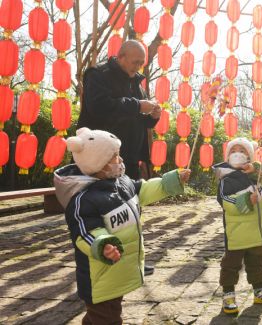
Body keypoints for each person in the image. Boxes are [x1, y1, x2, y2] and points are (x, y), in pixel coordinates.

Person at [53, 127, 190, 324]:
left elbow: (143, 189)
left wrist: (172, 181)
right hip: (100, 275)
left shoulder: (122, 183)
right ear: (98, 163)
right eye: (115, 156)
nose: (121, 160)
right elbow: (85, 231)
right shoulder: (84, 200)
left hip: (116, 272)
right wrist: (103, 244)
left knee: (103, 314)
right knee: (107, 317)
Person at [212, 137, 262, 314]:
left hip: (258, 230)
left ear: (249, 156)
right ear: (228, 156)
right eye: (233, 150)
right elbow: (225, 201)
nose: (237, 154)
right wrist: (245, 200)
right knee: (231, 263)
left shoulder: (255, 173)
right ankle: (228, 293)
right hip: (237, 233)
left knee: (257, 262)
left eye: (242, 151)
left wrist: (257, 168)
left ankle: (259, 289)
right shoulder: (225, 178)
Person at [77, 40, 161, 181]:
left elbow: (142, 122)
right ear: (121, 57)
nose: (138, 67)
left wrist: (153, 116)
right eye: (135, 62)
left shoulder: (137, 84)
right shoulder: (98, 74)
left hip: (130, 159)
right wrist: (138, 106)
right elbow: (98, 106)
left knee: (129, 201)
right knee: (101, 200)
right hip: (100, 157)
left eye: (141, 63)